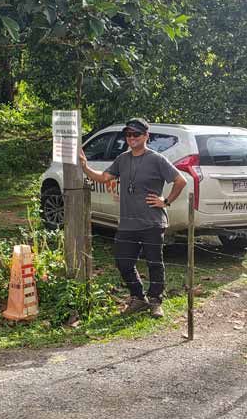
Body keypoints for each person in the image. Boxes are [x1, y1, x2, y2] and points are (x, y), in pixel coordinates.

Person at [80, 118, 187, 317]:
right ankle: (138, 298)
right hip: (128, 222)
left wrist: (166, 201)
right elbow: (104, 178)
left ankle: (156, 302)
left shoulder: (156, 159)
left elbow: (180, 180)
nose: (131, 138)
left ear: (146, 136)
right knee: (123, 262)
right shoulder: (123, 159)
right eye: (128, 134)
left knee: (154, 263)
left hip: (152, 222)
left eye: (136, 134)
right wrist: (85, 167)